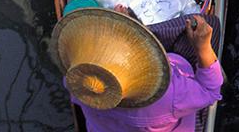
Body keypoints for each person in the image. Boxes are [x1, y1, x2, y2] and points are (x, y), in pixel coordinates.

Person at [52, 8, 222, 132]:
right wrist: (203, 48)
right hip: (174, 112)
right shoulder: (169, 94)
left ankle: (144, 29)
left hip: (105, 125)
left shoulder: (77, 81)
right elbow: (211, 91)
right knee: (210, 23)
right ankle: (146, 30)